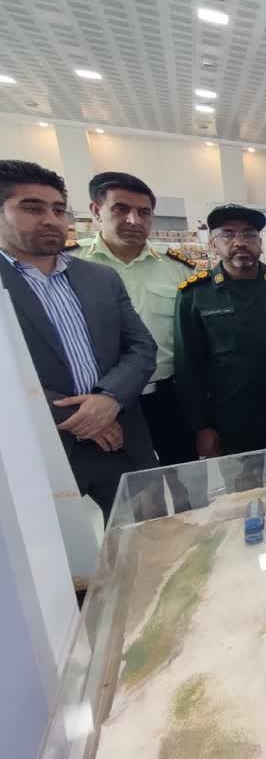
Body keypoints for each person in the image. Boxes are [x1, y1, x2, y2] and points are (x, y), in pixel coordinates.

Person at [0, 160, 157, 520]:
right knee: (55, 548)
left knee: (149, 536)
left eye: (58, 210)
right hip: (37, 447)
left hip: (122, 437)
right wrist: (81, 415)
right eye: (32, 208)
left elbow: (141, 348)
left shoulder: (99, 278)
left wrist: (110, 399)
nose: (51, 219)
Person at [72, 172, 201, 513]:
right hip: (104, 401)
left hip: (167, 395)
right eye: (121, 209)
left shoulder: (177, 270)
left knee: (188, 484)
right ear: (96, 210)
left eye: (144, 212)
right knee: (135, 497)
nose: (134, 220)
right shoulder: (72, 265)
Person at [173, 204, 266, 491]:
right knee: (244, 498)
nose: (239, 242)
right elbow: (188, 367)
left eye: (249, 234)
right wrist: (202, 427)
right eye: (227, 234)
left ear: (259, 242)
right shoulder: (195, 295)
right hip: (232, 424)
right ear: (213, 244)